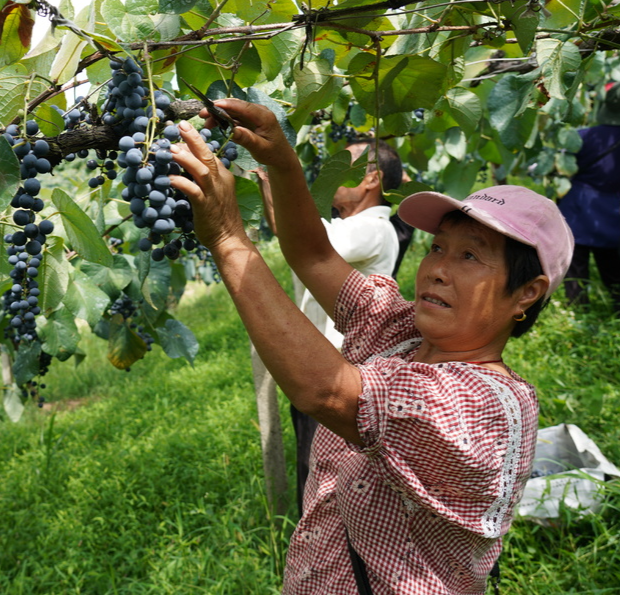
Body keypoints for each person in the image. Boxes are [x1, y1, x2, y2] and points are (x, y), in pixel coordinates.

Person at [168, 99, 573, 594]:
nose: (438, 268)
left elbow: (327, 393)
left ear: (527, 293)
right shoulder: (400, 333)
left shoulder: (485, 409)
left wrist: (229, 239)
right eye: (438, 248)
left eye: (470, 256)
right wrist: (282, 159)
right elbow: (314, 254)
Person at [258, 139, 402, 516]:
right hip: (320, 365)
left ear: (372, 179)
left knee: (325, 470)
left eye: (342, 168)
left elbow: (308, 242)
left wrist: (277, 175)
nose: (329, 176)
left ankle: (325, 544)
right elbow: (294, 234)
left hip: (341, 372)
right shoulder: (349, 226)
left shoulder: (373, 229)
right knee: (312, 460)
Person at [558, 83, 620, 313]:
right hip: (614, 213)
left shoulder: (583, 137)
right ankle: (617, 310)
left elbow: (561, 168)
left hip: (579, 211)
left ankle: (577, 312)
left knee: (575, 267)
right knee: (613, 266)